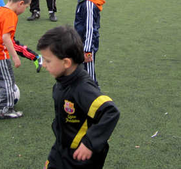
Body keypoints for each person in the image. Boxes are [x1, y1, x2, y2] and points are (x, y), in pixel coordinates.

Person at [37, 25, 120, 169]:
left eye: (48, 61)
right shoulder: (61, 83)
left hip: (80, 157)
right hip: (61, 149)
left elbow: (110, 111)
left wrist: (90, 143)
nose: (44, 65)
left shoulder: (82, 88)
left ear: (66, 62)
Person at [68, 0, 105, 87]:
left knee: (89, 75)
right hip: (81, 45)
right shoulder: (84, 1)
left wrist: (87, 51)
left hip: (87, 47)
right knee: (80, 72)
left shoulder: (89, 4)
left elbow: (90, 29)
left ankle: (95, 96)